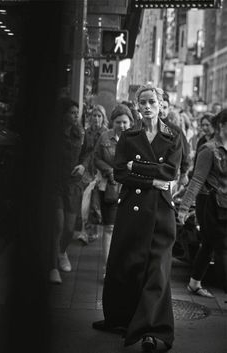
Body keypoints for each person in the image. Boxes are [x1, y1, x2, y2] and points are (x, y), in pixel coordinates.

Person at [93, 84, 182, 352]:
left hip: (161, 213)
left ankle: (153, 331)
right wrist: (152, 180)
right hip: (132, 207)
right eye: (142, 102)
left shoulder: (173, 135)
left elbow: (170, 171)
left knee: (157, 271)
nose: (146, 106)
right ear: (136, 105)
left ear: (160, 103)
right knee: (126, 264)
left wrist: (139, 168)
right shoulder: (129, 135)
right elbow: (120, 172)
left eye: (152, 101)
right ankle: (121, 319)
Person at [178, 109, 227, 296]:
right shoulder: (209, 150)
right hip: (210, 205)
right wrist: (183, 208)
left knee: (208, 244)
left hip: (224, 203)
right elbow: (197, 180)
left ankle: (194, 283)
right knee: (222, 247)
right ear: (221, 126)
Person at [94, 104, 134, 277]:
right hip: (109, 188)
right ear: (112, 122)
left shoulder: (136, 139)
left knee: (126, 229)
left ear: (130, 122)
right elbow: (96, 158)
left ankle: (123, 266)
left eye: (125, 122)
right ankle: (107, 268)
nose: (122, 126)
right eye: (118, 122)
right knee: (109, 228)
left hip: (130, 189)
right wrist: (109, 170)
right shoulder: (104, 137)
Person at [49, 99, 84, 284]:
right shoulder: (52, 135)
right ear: (63, 114)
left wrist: (83, 166)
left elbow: (88, 154)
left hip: (73, 185)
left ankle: (62, 253)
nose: (75, 115)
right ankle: (52, 266)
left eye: (76, 112)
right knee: (58, 225)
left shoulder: (80, 133)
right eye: (71, 112)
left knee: (70, 228)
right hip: (55, 184)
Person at [76, 104, 109, 245]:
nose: (96, 118)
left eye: (99, 116)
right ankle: (86, 231)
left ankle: (90, 231)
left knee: (93, 202)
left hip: (98, 170)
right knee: (85, 200)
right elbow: (83, 151)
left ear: (103, 118)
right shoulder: (87, 132)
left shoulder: (106, 133)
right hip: (86, 168)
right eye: (94, 115)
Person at [162, 92, 190, 190]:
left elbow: (185, 151)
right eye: (160, 106)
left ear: (169, 108)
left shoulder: (175, 130)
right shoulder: (146, 127)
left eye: (164, 107)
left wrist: (183, 173)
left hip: (169, 176)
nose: (162, 110)